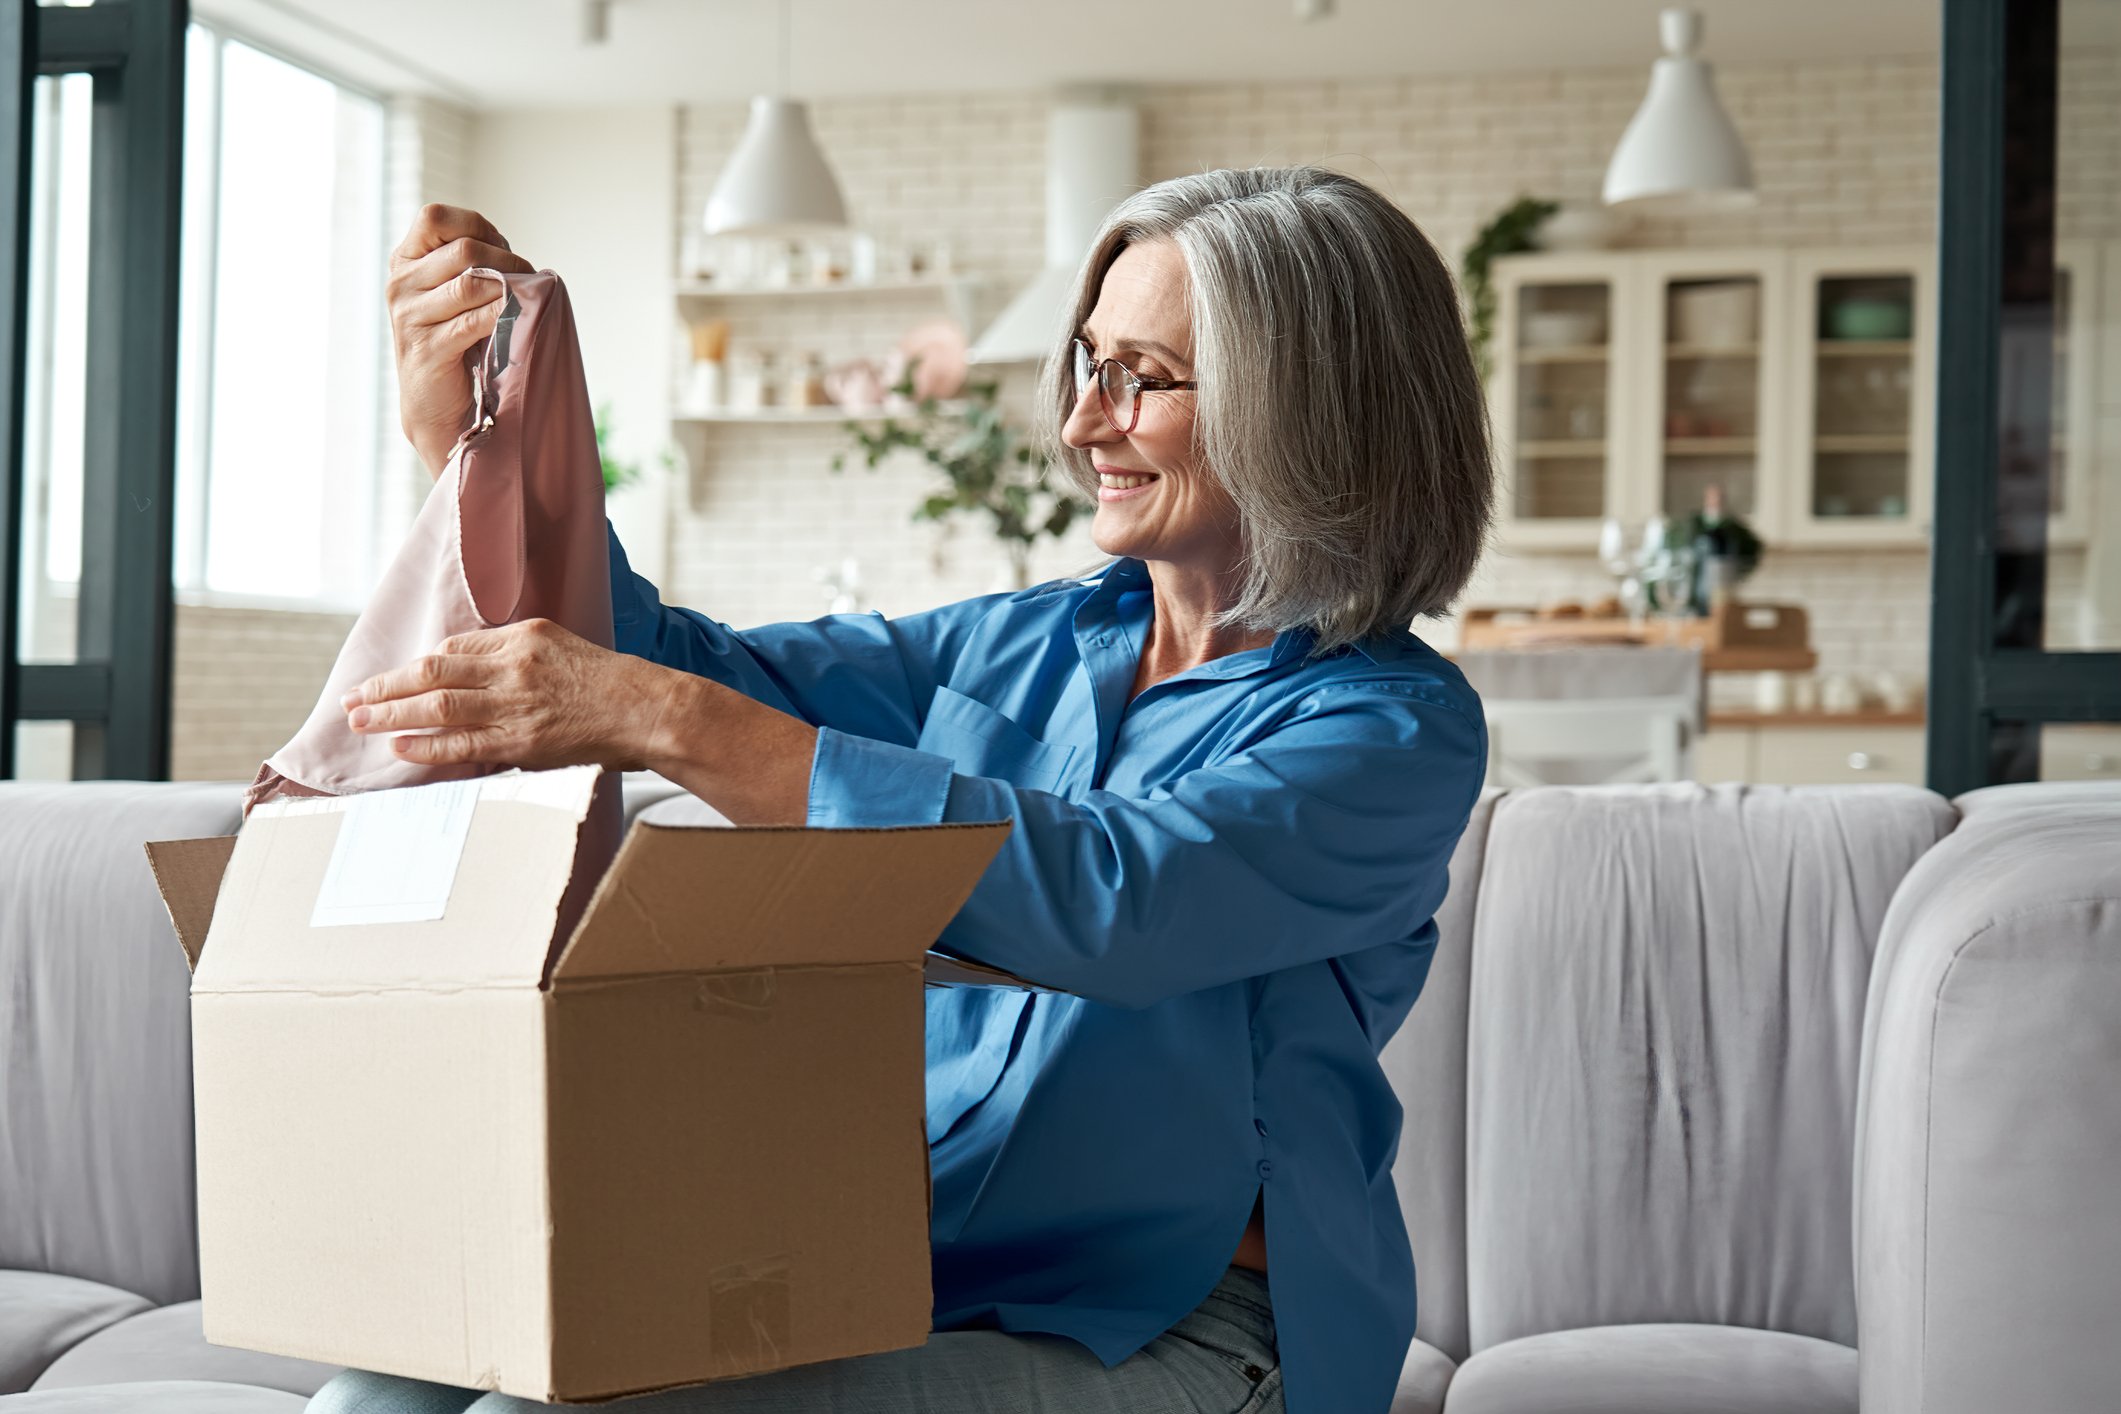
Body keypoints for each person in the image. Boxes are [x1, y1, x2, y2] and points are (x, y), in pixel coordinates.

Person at [309, 165, 1492, 1414]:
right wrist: (472, 439)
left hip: (1185, 1332)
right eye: (1086, 366)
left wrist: (667, 719)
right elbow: (678, 664)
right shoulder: (1020, 646)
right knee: (412, 1369)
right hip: (899, 1274)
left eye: (1139, 377)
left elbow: (1118, 896)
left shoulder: (1390, 731)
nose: (1086, 424)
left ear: (1302, 409)